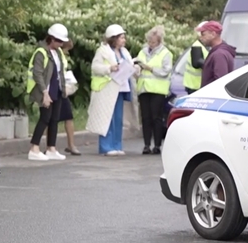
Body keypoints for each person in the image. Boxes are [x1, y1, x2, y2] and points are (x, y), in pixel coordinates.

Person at [86, 24, 134, 156]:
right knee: (107, 117)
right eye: (121, 38)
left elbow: (130, 64)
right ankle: (106, 147)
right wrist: (109, 68)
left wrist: (135, 68)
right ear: (113, 38)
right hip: (107, 89)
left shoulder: (124, 52)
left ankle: (117, 145)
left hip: (121, 88)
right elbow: (95, 67)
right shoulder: (102, 51)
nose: (124, 40)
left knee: (118, 119)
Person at [26, 23, 68, 161]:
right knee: (45, 118)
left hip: (57, 90)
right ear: (52, 38)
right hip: (46, 90)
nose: (61, 44)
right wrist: (44, 93)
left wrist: (64, 88)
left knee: (54, 119)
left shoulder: (58, 52)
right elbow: (37, 74)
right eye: (59, 41)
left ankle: (51, 148)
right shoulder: (41, 52)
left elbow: (61, 71)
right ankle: (34, 148)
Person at [134, 25, 173, 155]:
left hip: (158, 90)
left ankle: (157, 145)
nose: (151, 44)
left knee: (156, 117)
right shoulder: (143, 52)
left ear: (159, 41)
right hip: (144, 88)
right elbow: (137, 67)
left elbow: (166, 71)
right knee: (146, 118)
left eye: (154, 42)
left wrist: (150, 68)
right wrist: (137, 69)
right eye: (149, 41)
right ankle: (146, 145)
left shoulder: (166, 53)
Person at [196, 21, 236, 87]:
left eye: (203, 34)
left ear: (213, 34)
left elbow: (220, 82)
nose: (201, 37)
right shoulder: (220, 52)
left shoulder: (219, 55)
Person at [59, 39, 80, 156]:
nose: (67, 52)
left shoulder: (61, 56)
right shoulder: (55, 54)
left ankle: (71, 145)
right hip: (56, 89)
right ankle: (50, 146)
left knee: (68, 117)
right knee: (51, 119)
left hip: (63, 89)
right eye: (67, 50)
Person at [184, 22, 209, 94]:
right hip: (195, 85)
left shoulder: (204, 46)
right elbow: (197, 62)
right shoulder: (197, 46)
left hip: (197, 85)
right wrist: (212, 64)